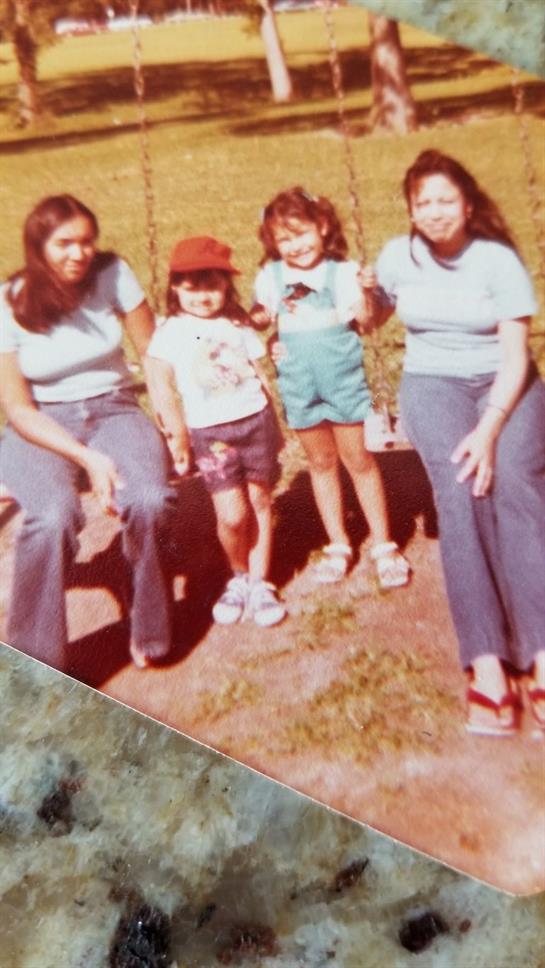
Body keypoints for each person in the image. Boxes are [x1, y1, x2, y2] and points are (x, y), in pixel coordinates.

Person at [361, 149, 545, 736]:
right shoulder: (398, 255)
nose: (436, 212)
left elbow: (516, 357)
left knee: (515, 484)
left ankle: (541, 652)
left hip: (506, 385)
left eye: (446, 200)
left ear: (467, 204)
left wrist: (488, 429)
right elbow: (372, 320)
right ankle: (487, 661)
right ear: (411, 209)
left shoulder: (497, 260)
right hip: (432, 382)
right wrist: (366, 297)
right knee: (462, 489)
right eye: (424, 203)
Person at [0, 195, 176, 671]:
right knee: (51, 516)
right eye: (64, 243)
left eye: (86, 242)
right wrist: (87, 458)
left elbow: (153, 351)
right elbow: (18, 408)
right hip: (42, 423)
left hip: (115, 407)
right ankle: (35, 661)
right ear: (38, 246)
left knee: (150, 499)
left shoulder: (112, 273)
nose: (79, 253)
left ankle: (149, 619)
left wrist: (172, 419)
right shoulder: (9, 301)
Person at [252, 186, 410, 588]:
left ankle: (383, 543)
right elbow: (261, 318)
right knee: (320, 464)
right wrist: (248, 321)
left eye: (301, 233)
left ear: (322, 226)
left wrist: (368, 292)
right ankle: (338, 542)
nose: (295, 246)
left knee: (359, 460)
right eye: (283, 239)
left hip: (343, 382)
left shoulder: (342, 272)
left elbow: (367, 322)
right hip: (299, 385)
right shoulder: (271, 276)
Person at [145, 235, 286, 628]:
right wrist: (175, 432)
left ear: (227, 285)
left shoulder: (237, 323)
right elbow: (159, 381)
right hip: (211, 434)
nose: (203, 296)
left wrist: (275, 424)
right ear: (175, 287)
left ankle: (259, 582)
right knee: (232, 514)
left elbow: (259, 374)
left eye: (212, 286)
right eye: (192, 287)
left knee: (260, 502)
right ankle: (238, 575)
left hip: (255, 422)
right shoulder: (170, 331)